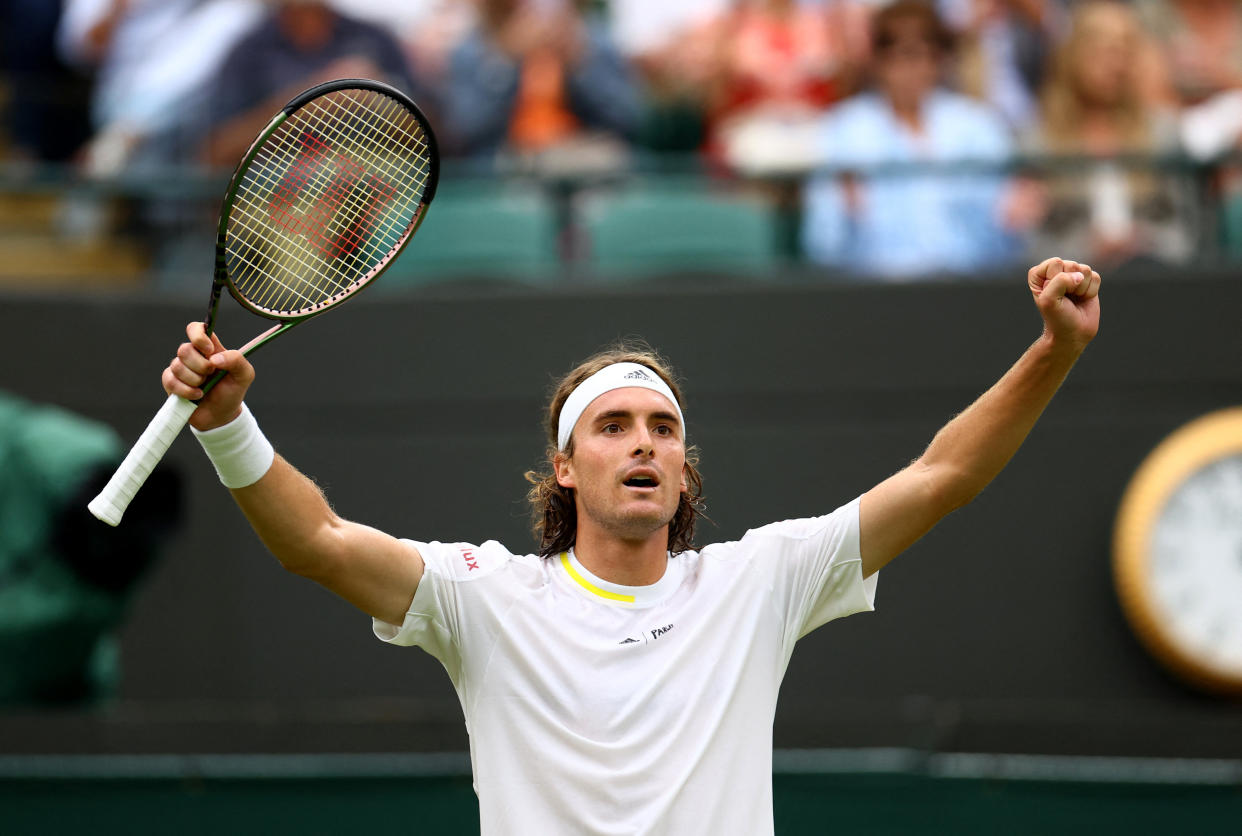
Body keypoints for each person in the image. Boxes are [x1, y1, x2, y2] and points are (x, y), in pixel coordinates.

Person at [160, 256, 1101, 834]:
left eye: (663, 426)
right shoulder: (483, 598)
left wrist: (1054, 350)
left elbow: (943, 476)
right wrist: (228, 425)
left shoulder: (760, 581)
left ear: (686, 469)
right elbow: (316, 542)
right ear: (563, 468)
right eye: (612, 426)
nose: (644, 441)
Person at [800, 0, 1021, 279]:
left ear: (939, 60)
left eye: (924, 54)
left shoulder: (978, 126)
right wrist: (845, 215)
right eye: (899, 54)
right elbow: (822, 247)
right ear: (877, 61)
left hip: (967, 291)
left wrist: (1014, 219)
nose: (912, 67)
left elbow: (1005, 239)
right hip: (872, 295)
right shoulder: (842, 130)